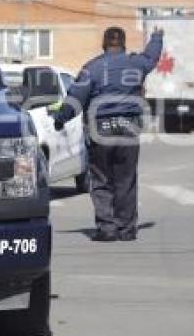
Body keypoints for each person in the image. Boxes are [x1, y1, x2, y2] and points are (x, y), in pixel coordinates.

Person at [54, 26, 164, 242]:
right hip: (128, 129)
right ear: (123, 43)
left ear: (104, 43)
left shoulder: (92, 68)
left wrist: (60, 118)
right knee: (126, 180)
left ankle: (107, 228)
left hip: (101, 130)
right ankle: (126, 229)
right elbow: (152, 57)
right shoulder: (136, 63)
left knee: (101, 179)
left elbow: (76, 97)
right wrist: (157, 37)